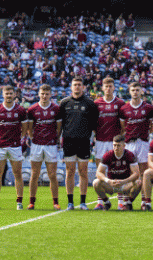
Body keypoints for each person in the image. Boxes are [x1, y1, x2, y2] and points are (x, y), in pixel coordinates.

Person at [58, 77, 99, 211]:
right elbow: (60, 124)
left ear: (83, 87)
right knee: (69, 171)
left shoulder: (90, 104)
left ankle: (82, 202)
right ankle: (70, 202)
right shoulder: (64, 103)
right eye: (74, 84)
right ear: (71, 87)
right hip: (69, 141)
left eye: (79, 85)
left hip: (84, 141)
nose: (77, 87)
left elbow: (94, 124)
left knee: (83, 171)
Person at [0, 85, 28, 210]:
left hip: (15, 146)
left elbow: (25, 128)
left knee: (17, 174)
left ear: (14, 94)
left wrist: (19, 138)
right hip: (0, 146)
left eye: (11, 93)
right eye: (7, 93)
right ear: (3, 94)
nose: (9, 95)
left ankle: (19, 202)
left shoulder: (20, 110)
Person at [119, 82, 153, 210]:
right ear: (129, 91)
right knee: (129, 173)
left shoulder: (148, 108)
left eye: (137, 90)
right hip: (129, 143)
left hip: (143, 142)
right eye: (133, 90)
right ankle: (127, 201)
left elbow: (151, 125)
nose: (135, 92)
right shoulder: (124, 109)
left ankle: (144, 201)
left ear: (141, 91)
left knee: (144, 172)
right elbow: (123, 127)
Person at [26, 84, 62, 210]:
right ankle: (31, 202)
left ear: (50, 94)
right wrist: (33, 139)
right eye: (42, 93)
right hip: (36, 145)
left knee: (52, 175)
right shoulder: (32, 109)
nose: (44, 96)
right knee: (34, 174)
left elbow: (59, 129)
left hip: (51, 145)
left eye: (47, 94)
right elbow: (30, 129)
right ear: (39, 94)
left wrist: (54, 139)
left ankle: (55, 202)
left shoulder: (56, 109)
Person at [92, 135, 142, 211]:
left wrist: (124, 181)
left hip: (125, 184)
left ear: (124, 146)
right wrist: (108, 181)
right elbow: (98, 173)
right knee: (96, 182)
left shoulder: (129, 155)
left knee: (138, 182)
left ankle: (128, 203)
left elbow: (136, 173)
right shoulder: (108, 155)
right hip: (111, 184)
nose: (116, 148)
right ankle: (107, 202)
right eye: (114, 145)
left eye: (118, 145)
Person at [93, 77, 125, 168]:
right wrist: (97, 133)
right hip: (100, 140)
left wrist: (120, 136)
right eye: (106, 86)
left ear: (114, 88)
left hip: (115, 140)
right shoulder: (97, 103)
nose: (108, 88)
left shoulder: (120, 103)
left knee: (116, 165)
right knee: (100, 165)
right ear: (102, 88)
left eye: (110, 86)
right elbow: (93, 123)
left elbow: (124, 124)